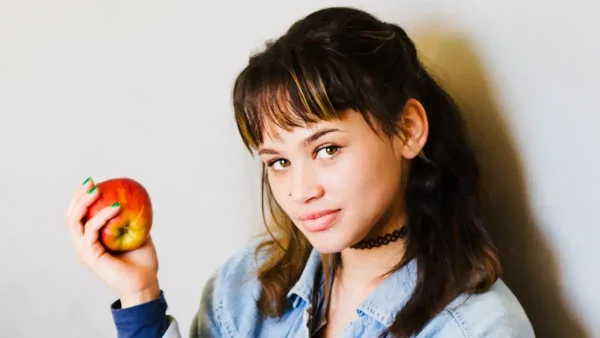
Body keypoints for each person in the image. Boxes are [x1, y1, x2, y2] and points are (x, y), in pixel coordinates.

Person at [65, 6, 535, 338]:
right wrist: (139, 292)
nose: (300, 191)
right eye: (279, 162)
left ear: (408, 130)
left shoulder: (479, 329)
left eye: (327, 149)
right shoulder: (245, 286)